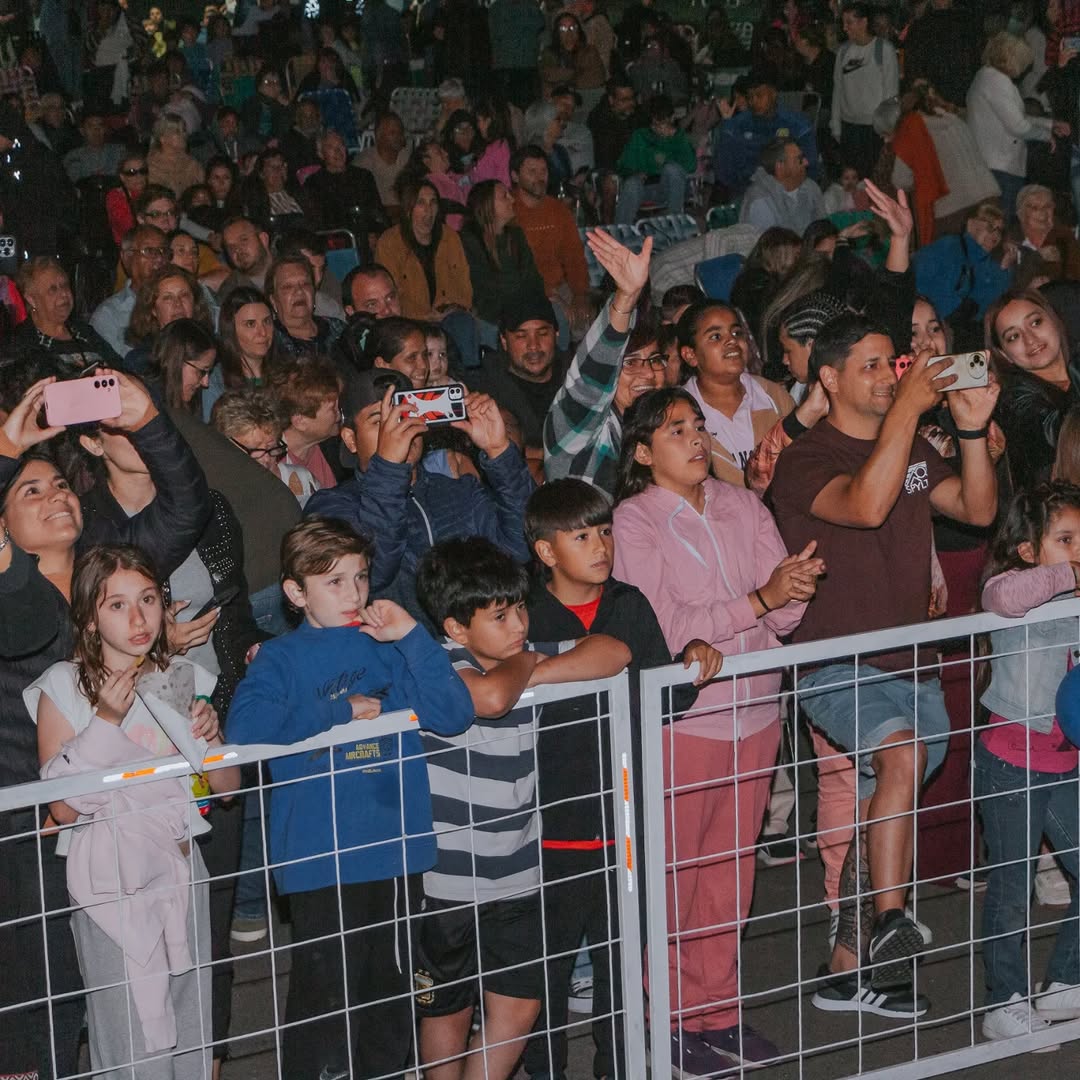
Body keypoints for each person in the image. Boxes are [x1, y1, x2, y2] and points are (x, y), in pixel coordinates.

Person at [769, 312, 998, 1016]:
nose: (887, 374)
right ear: (828, 378)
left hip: (915, 663)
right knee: (898, 759)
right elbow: (867, 506)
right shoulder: (807, 458)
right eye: (869, 365)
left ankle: (846, 970)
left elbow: (980, 508)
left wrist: (967, 428)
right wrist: (907, 409)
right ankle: (892, 921)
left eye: (890, 362)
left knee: (882, 804)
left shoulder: (919, 442)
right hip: (840, 665)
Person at [0, 370, 211, 1080]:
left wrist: (148, 419)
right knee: (40, 1003)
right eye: (31, 491)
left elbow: (187, 509)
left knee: (142, 994)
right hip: (26, 828)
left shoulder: (105, 574)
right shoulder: (6, 589)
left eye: (60, 485)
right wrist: (6, 447)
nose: (57, 494)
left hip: (127, 819)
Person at [612, 386, 821, 1073]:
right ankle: (663, 1021)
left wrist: (790, 590)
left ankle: (717, 1014)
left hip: (756, 710)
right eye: (675, 429)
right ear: (643, 453)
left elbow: (784, 618)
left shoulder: (742, 502)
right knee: (674, 875)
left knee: (729, 878)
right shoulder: (635, 521)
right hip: (688, 720)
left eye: (698, 425)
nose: (696, 437)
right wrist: (760, 600)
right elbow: (670, 628)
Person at [226, 516, 473, 1080]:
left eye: (360, 578)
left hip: (393, 847)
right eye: (334, 582)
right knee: (324, 1005)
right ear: (295, 592)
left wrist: (412, 633)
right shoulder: (281, 658)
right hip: (319, 856)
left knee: (388, 999)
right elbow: (244, 734)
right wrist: (340, 711)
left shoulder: (386, 647)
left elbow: (454, 712)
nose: (354, 593)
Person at [520, 478, 721, 1080]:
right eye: (582, 535)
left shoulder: (628, 602)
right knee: (544, 976)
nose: (601, 545)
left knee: (621, 969)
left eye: (605, 531)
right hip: (545, 826)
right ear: (546, 552)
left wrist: (694, 660)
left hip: (624, 825)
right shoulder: (522, 612)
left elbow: (663, 698)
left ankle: (621, 1068)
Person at [413, 536, 631, 1080]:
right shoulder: (438, 665)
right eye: (500, 616)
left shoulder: (516, 661)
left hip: (517, 872)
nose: (519, 627)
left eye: (520, 610)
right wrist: (525, 668)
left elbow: (614, 651)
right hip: (448, 881)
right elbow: (485, 700)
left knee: (520, 1004)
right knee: (450, 1008)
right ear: (456, 628)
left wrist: (530, 671)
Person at [31, 544, 238, 1079]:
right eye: (117, 604)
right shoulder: (63, 684)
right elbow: (62, 807)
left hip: (181, 863)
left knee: (190, 1023)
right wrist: (104, 720)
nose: (139, 617)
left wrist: (212, 740)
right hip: (109, 882)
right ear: (90, 617)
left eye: (147, 599)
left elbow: (228, 788)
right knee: (127, 1033)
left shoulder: (182, 677)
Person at [974, 482, 1080, 1042]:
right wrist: (1071, 575)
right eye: (1065, 539)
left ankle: (1064, 982)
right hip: (1012, 759)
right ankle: (1004, 1000)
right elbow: (1002, 599)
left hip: (1066, 761)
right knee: (1012, 889)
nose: (1078, 550)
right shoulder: (1013, 588)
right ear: (1027, 549)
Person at [306, 369, 534, 624]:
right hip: (396, 656)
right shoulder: (331, 507)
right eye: (379, 420)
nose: (398, 427)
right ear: (351, 440)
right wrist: (390, 468)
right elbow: (374, 574)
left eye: (408, 415)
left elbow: (521, 548)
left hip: (476, 650)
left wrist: (500, 452)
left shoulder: (459, 491)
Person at [543, 230, 658, 497]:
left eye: (655, 360)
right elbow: (589, 384)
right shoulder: (576, 433)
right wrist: (626, 298)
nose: (649, 373)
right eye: (630, 363)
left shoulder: (670, 428)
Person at [678, 300, 795, 487]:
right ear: (690, 355)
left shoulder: (771, 395)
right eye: (716, 336)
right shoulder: (677, 412)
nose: (732, 341)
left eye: (736, 333)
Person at [986, 287, 1080, 493]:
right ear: (1004, 354)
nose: (1030, 339)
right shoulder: (1014, 399)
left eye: (1036, 322)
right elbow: (1062, 434)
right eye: (1013, 336)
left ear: (1055, 320)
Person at [967, 33, 1069, 220]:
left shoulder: (985, 76)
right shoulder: (998, 81)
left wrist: (1050, 124)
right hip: (1001, 165)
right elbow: (1018, 126)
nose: (1024, 68)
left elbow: (1016, 117)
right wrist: (1046, 135)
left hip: (990, 162)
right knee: (1003, 222)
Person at [511, 146, 591, 341]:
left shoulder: (558, 210)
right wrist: (552, 296)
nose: (540, 177)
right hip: (524, 290)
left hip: (560, 285)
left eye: (543, 171)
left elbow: (574, 257)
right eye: (532, 172)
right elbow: (514, 268)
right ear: (515, 176)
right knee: (559, 320)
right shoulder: (508, 210)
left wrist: (580, 295)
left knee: (589, 322)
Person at [471, 293, 567, 454]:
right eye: (521, 336)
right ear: (504, 341)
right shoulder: (484, 391)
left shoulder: (579, 376)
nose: (534, 346)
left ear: (556, 334)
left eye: (542, 334)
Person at [914, 201, 1015, 343]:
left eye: (999, 230)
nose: (995, 235)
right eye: (990, 227)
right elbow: (925, 287)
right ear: (971, 224)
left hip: (959, 328)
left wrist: (1004, 270)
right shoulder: (948, 247)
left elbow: (990, 306)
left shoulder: (984, 261)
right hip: (929, 324)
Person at [374, 178, 473, 320]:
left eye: (433, 202)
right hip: (409, 322)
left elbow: (464, 285)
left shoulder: (450, 237)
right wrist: (425, 318)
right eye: (421, 203)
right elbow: (390, 297)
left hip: (448, 317)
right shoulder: (389, 243)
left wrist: (454, 308)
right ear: (408, 209)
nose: (429, 209)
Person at [711, 71, 819, 198]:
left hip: (786, 192)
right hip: (747, 190)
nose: (754, 101)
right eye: (750, 97)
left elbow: (811, 166)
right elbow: (724, 170)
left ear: (773, 94)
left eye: (759, 95)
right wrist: (727, 125)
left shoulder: (795, 124)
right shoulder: (739, 124)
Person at [211, 389, 319, 506]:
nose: (266, 459)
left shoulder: (303, 482)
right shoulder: (213, 493)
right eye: (255, 449)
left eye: (271, 447)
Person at [461, 180, 546, 329]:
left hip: (523, 309)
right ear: (487, 204)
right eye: (504, 196)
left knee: (555, 316)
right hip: (492, 315)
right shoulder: (470, 241)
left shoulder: (516, 236)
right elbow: (482, 292)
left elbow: (532, 278)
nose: (512, 199)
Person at [12, 257, 121, 372]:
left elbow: (122, 371)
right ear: (31, 299)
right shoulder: (21, 344)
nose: (64, 293)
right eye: (53, 289)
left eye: (65, 285)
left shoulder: (84, 333)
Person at [830, 2, 899, 179]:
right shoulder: (843, 52)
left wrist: (888, 130)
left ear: (863, 22)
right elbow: (838, 89)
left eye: (849, 22)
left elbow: (891, 94)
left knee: (873, 180)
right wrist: (835, 125)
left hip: (873, 130)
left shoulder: (884, 50)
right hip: (849, 128)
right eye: (843, 23)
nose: (845, 28)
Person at [204, 285, 285, 419]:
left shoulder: (285, 373)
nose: (263, 332)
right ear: (231, 330)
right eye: (250, 324)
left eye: (267, 321)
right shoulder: (216, 379)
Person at [614, 94, 695, 226]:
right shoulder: (640, 136)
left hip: (672, 187)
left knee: (672, 169)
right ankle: (621, 233)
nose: (658, 129)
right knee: (632, 184)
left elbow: (691, 166)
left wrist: (675, 139)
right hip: (647, 187)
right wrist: (634, 173)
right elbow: (622, 166)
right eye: (655, 125)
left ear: (672, 119)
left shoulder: (679, 138)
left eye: (663, 124)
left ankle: (674, 226)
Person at [90, 225, 170, 358]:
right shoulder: (109, 315)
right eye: (149, 251)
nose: (159, 259)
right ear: (127, 257)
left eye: (163, 251)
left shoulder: (183, 300)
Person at [303, 129, 388, 244]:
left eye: (341, 145)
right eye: (331, 148)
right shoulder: (314, 183)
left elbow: (377, 211)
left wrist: (376, 233)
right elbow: (317, 223)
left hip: (367, 237)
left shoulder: (363, 176)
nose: (338, 151)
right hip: (336, 241)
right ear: (321, 154)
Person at [272, 359, 342, 491]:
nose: (339, 414)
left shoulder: (333, 448)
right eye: (333, 408)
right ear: (300, 422)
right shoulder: (271, 465)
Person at [740, 138, 826, 236]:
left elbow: (823, 231)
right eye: (800, 159)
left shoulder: (811, 187)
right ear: (780, 167)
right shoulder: (760, 199)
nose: (806, 163)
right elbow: (771, 247)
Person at [1008, 184, 1080, 287]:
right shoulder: (1009, 241)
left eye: (1047, 206)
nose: (1043, 213)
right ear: (1021, 214)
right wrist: (1037, 257)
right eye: (1035, 208)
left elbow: (1075, 280)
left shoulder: (1065, 239)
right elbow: (1008, 282)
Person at [488, 0, 546, 108]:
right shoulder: (498, 8)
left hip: (526, 68)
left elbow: (540, 24)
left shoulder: (530, 7)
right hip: (506, 69)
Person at [540, 11, 606, 100]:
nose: (569, 32)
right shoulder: (549, 53)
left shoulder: (590, 51)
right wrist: (576, 73)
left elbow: (596, 79)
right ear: (557, 32)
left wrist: (566, 80)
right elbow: (548, 75)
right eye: (563, 28)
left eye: (573, 27)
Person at [354, 111, 409, 215]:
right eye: (393, 133)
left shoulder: (407, 157)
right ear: (379, 136)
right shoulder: (364, 163)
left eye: (400, 132)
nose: (399, 137)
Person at [588, 78, 640, 175]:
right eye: (624, 100)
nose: (631, 103)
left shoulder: (638, 115)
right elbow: (605, 157)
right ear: (611, 100)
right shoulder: (599, 120)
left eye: (632, 98)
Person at [359, 317, 430, 387]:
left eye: (425, 355)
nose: (423, 365)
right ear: (381, 364)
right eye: (411, 357)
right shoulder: (364, 397)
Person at [147, 113, 204, 200]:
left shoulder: (191, 163)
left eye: (184, 130)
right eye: (177, 132)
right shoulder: (152, 166)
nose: (184, 135)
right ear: (163, 138)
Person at [62, 108, 123, 183]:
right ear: (82, 131)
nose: (96, 130)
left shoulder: (119, 152)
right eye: (90, 126)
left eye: (100, 125)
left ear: (105, 129)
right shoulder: (73, 156)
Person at [218, 216, 273, 298]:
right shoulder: (230, 292)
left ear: (263, 239)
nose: (238, 250)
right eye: (231, 247)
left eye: (243, 240)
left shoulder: (292, 269)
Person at [106, 152, 150, 246]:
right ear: (122, 177)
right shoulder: (115, 196)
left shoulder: (153, 192)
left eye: (142, 171)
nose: (139, 176)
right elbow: (127, 227)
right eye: (132, 172)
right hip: (129, 246)